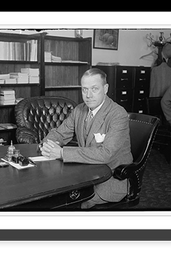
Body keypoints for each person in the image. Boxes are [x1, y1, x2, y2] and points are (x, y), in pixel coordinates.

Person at [39, 68, 133, 209]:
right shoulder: (79, 110)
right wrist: (47, 145)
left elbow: (105, 154)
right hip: (85, 174)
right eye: (84, 89)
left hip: (110, 180)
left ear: (105, 88)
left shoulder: (117, 114)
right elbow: (59, 133)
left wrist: (61, 153)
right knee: (48, 194)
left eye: (94, 89)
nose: (88, 95)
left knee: (65, 205)